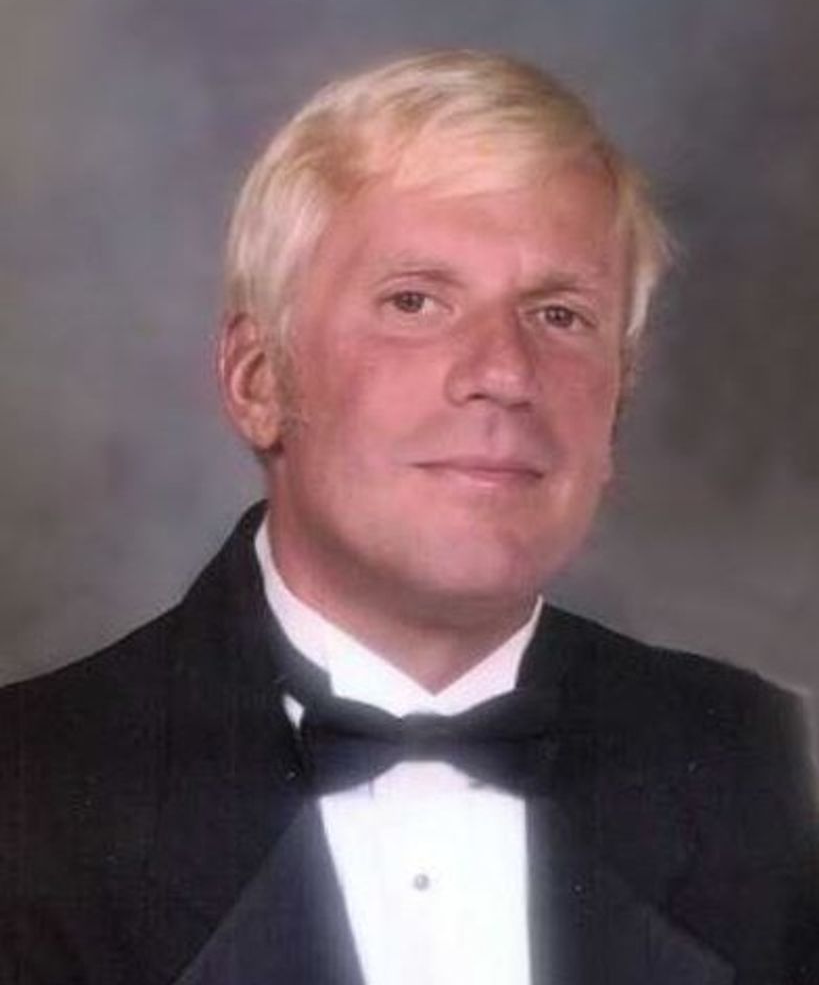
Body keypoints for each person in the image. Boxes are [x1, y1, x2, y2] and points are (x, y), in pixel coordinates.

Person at [0, 50, 816, 985]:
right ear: (258, 382)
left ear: (617, 399)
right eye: (414, 302)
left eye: (558, 315)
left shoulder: (767, 762)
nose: (502, 374)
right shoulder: (28, 794)